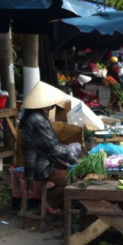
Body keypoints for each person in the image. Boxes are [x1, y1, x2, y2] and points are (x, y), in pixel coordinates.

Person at [20, 82, 80, 215]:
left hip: (45, 162)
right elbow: (53, 149)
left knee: (75, 177)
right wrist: (72, 158)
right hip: (41, 165)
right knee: (73, 181)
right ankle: (48, 201)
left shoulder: (38, 116)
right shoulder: (37, 120)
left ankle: (51, 202)